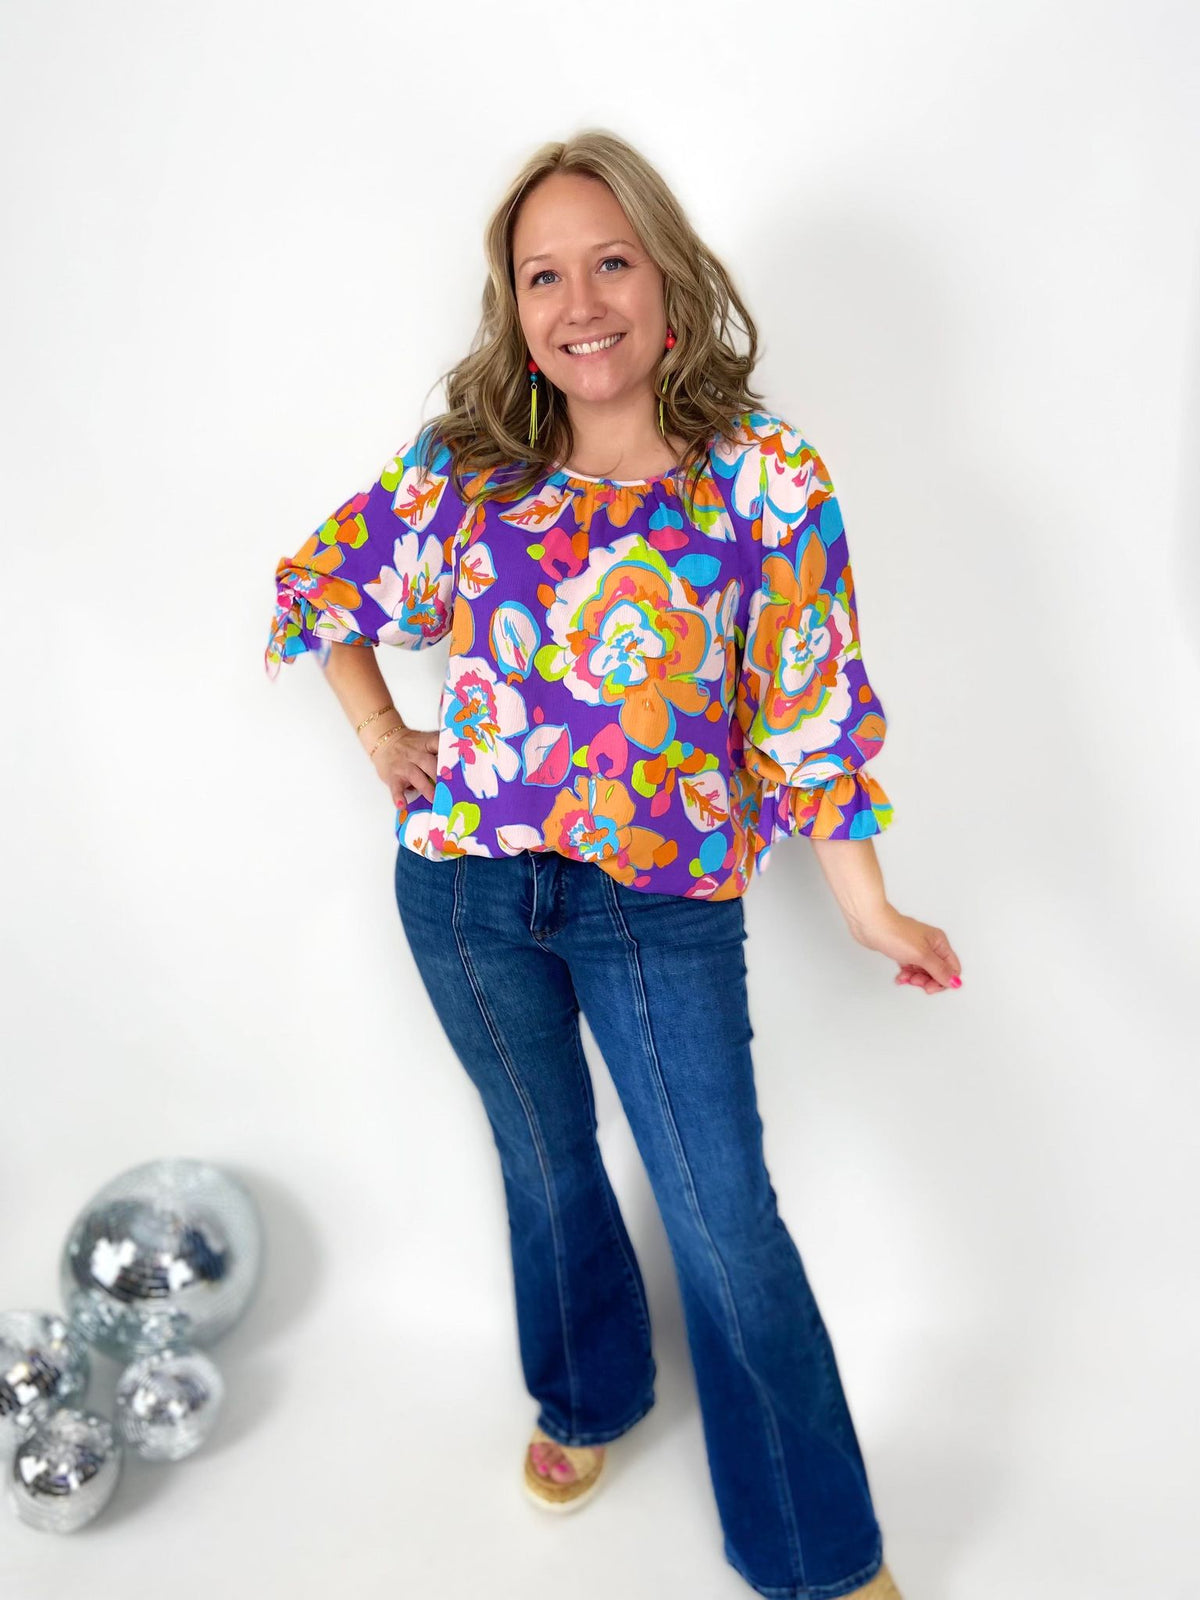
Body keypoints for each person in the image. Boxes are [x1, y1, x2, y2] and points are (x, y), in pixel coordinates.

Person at [264, 129, 962, 1600]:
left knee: (723, 1220)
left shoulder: (763, 477)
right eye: (543, 276)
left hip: (660, 909)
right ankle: (588, 1395)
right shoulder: (469, 469)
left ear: (668, 277)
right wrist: (384, 734)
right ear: (513, 306)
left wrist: (869, 906)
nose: (579, 303)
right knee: (543, 1162)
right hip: (467, 896)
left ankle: (816, 1555)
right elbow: (322, 584)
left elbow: (810, 710)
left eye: (610, 263)